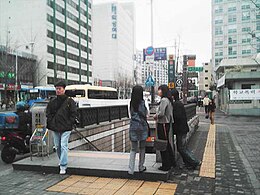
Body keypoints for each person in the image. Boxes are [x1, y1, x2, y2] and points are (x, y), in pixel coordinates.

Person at [46, 80, 77, 175]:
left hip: (66, 127)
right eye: (56, 89)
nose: (58, 91)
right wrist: (51, 122)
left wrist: (70, 123)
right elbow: (48, 113)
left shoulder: (70, 101)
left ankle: (63, 165)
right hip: (55, 127)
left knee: (63, 145)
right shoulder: (52, 102)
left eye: (59, 89)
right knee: (57, 146)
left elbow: (73, 113)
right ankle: (61, 160)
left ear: (64, 89)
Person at [171, 89, 201, 170]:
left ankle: (195, 162)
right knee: (183, 147)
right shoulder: (179, 104)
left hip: (180, 130)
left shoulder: (176, 105)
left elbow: (177, 117)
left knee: (181, 148)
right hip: (183, 128)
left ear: (173, 96)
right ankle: (188, 163)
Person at [153, 85, 176, 171]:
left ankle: (166, 165)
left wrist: (156, 115)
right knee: (167, 143)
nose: (158, 91)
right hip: (167, 123)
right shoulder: (168, 100)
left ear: (163, 91)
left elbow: (161, 113)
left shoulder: (163, 100)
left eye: (159, 90)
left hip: (162, 123)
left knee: (163, 144)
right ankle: (171, 162)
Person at [128, 85, 148, 175]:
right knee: (142, 148)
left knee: (133, 149)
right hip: (142, 127)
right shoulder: (142, 103)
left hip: (133, 127)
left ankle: (130, 170)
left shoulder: (131, 103)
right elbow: (144, 113)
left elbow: (130, 115)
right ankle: (141, 167)